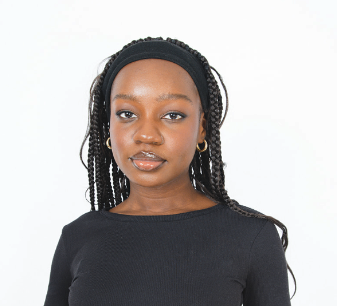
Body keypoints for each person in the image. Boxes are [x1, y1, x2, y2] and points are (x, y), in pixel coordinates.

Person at [43, 37, 296, 306]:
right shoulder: (78, 237)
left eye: (172, 115)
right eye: (127, 113)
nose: (146, 135)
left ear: (202, 128)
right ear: (107, 127)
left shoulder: (251, 236)